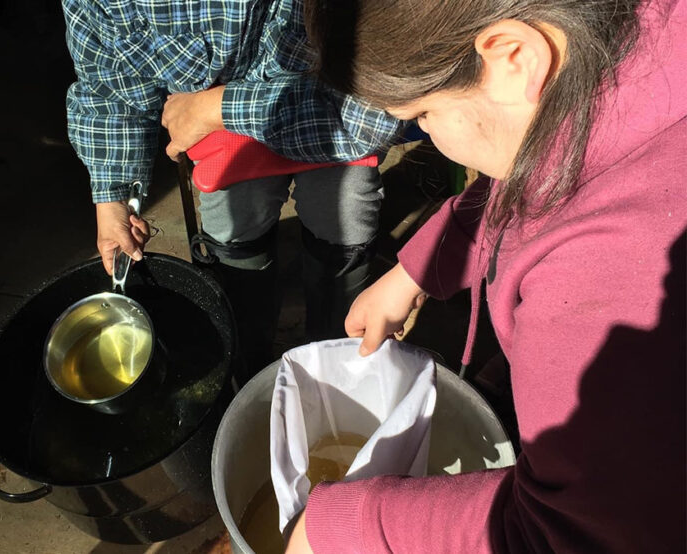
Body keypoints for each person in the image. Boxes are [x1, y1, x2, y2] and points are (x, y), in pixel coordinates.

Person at [285, 0, 686, 551]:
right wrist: (417, 270)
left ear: (513, 57)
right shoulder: (630, 42)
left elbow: (562, 533)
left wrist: (334, 527)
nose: (428, 133)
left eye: (423, 115)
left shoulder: (610, 276)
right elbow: (538, 175)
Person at [60, 0, 402, 382]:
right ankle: (248, 359)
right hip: (216, 124)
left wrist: (213, 109)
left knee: (348, 215)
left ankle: (336, 350)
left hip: (329, 106)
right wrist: (113, 195)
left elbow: (363, 110)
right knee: (232, 230)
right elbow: (108, 83)